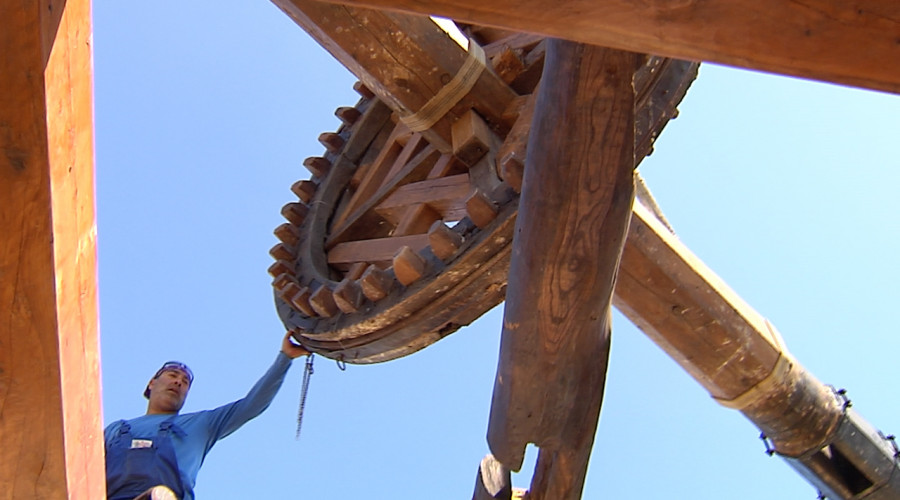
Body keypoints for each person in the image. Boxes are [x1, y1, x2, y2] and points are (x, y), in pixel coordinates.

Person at [104, 331, 309, 500]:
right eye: (173, 375)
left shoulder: (201, 424)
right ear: (152, 383)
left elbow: (253, 404)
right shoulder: (116, 430)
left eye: (185, 382)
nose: (178, 382)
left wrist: (285, 358)